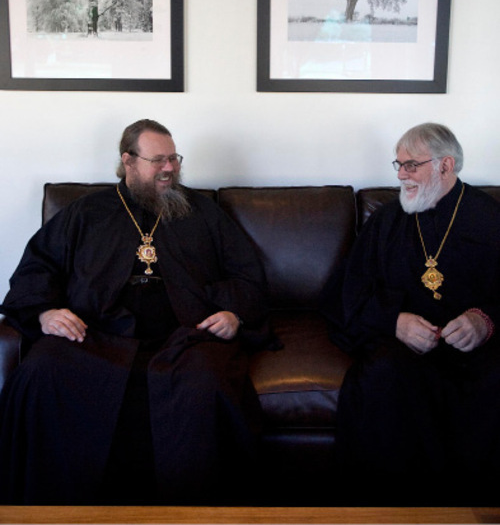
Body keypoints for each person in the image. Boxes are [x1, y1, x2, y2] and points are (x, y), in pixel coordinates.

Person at [0, 119, 271, 505]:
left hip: (186, 337)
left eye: (174, 158)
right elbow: (37, 268)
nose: (170, 168)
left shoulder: (203, 212)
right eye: (158, 159)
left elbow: (248, 274)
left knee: (207, 381)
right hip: (96, 334)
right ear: (128, 161)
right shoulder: (86, 212)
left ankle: (198, 513)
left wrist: (235, 315)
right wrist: (45, 312)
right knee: (41, 372)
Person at [322, 123, 500, 506]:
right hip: (404, 349)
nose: (401, 175)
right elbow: (345, 292)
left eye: (411, 165)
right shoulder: (388, 220)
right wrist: (394, 321)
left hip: (477, 352)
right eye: (398, 165)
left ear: (445, 165)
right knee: (383, 373)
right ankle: (390, 508)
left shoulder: (490, 219)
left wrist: (484, 321)